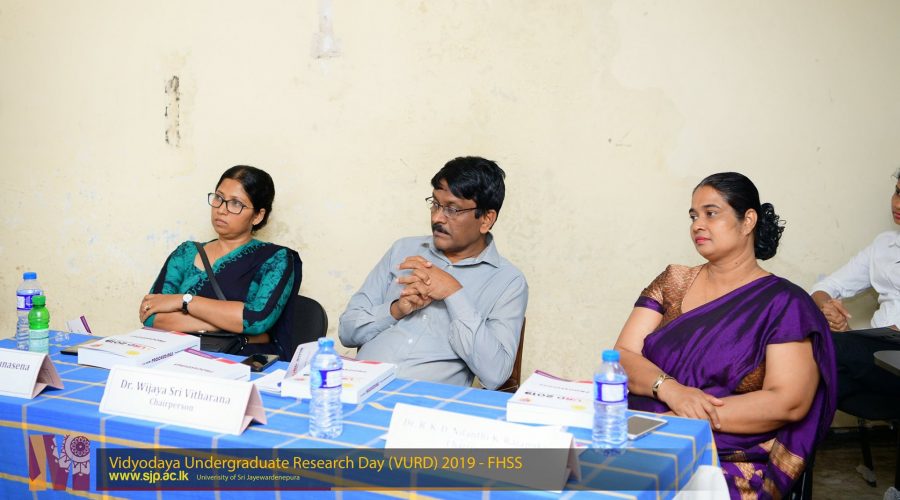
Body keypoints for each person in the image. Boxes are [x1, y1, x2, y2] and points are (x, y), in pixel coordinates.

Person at [614, 172, 836, 498]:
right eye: (693, 216)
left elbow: (787, 401)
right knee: (546, 467)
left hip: (725, 454)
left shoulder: (784, 303)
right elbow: (622, 355)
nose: (698, 225)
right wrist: (671, 390)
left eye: (711, 213)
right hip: (640, 427)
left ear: (748, 221)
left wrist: (685, 422)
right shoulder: (673, 281)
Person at [338, 156, 527, 390]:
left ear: (486, 219)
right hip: (357, 388)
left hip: (425, 403)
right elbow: (346, 331)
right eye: (435, 204)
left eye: (452, 209)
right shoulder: (403, 250)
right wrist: (395, 310)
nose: (437, 217)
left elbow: (496, 374)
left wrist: (454, 293)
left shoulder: (508, 282)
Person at [140, 165, 302, 358]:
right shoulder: (186, 253)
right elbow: (151, 314)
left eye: (236, 203)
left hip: (240, 362)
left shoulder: (275, 259)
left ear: (258, 216)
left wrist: (183, 301)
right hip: (176, 358)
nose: (222, 210)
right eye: (218, 198)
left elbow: (256, 320)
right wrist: (230, 325)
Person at [811, 170, 900, 403]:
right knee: (813, 363)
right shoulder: (884, 245)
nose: (897, 204)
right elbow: (825, 287)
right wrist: (829, 309)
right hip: (879, 350)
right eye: (897, 192)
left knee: (829, 353)